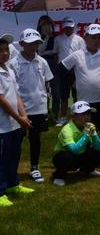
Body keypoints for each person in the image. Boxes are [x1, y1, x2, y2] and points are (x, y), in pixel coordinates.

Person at [61, 24, 100, 172]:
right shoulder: (77, 55)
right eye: (93, 37)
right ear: (86, 38)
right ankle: (87, 162)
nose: (96, 40)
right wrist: (72, 82)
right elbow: (61, 69)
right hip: (85, 103)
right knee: (86, 132)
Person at [9, 29, 53, 183]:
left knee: (36, 139)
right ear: (21, 44)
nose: (33, 46)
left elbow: (47, 82)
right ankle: (12, 170)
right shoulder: (13, 64)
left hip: (38, 107)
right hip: (19, 110)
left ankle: (34, 168)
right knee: (16, 141)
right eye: (29, 43)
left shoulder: (42, 61)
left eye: (36, 43)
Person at [0, 37, 34, 208]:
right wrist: (18, 118)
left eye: (6, 50)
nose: (5, 54)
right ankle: (0, 191)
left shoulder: (10, 70)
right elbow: (2, 100)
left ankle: (13, 184)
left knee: (14, 154)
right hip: (2, 125)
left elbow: (16, 95)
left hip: (14, 123)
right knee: (2, 157)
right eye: (1, 51)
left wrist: (24, 114)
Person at [52, 101, 100, 187]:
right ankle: (59, 176)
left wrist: (94, 134)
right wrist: (86, 135)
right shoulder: (66, 130)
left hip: (80, 155)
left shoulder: (88, 127)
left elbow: (99, 147)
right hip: (65, 156)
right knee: (65, 158)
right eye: (83, 114)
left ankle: (87, 170)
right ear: (74, 116)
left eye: (88, 114)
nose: (87, 117)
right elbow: (74, 150)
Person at [53, 17, 85, 126]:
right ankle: (63, 117)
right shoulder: (58, 39)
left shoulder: (79, 39)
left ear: (73, 27)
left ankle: (78, 116)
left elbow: (83, 55)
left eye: (70, 27)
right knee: (64, 96)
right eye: (66, 27)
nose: (68, 29)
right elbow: (55, 53)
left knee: (77, 95)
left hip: (76, 70)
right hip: (63, 70)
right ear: (63, 27)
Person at [37, 15, 60, 121]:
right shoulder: (38, 37)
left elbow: (57, 51)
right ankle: (44, 113)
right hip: (41, 62)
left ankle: (55, 113)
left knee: (56, 90)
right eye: (43, 25)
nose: (45, 27)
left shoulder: (56, 37)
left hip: (53, 63)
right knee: (43, 89)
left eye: (48, 24)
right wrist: (45, 37)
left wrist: (50, 36)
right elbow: (40, 51)